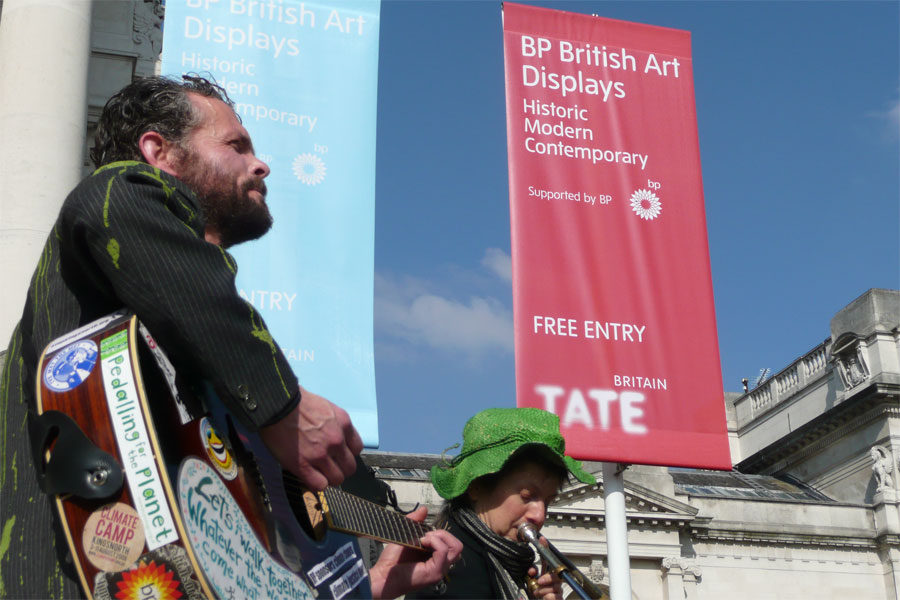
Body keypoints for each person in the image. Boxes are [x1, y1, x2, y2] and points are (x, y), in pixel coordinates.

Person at [0, 75, 459, 599]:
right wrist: (283, 407)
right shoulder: (118, 192)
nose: (260, 164)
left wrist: (375, 585)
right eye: (236, 146)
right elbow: (114, 197)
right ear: (159, 152)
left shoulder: (208, 364)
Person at [408, 407, 597, 600]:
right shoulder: (452, 566)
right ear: (476, 486)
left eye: (548, 501)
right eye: (527, 496)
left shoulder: (504, 563)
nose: (539, 515)